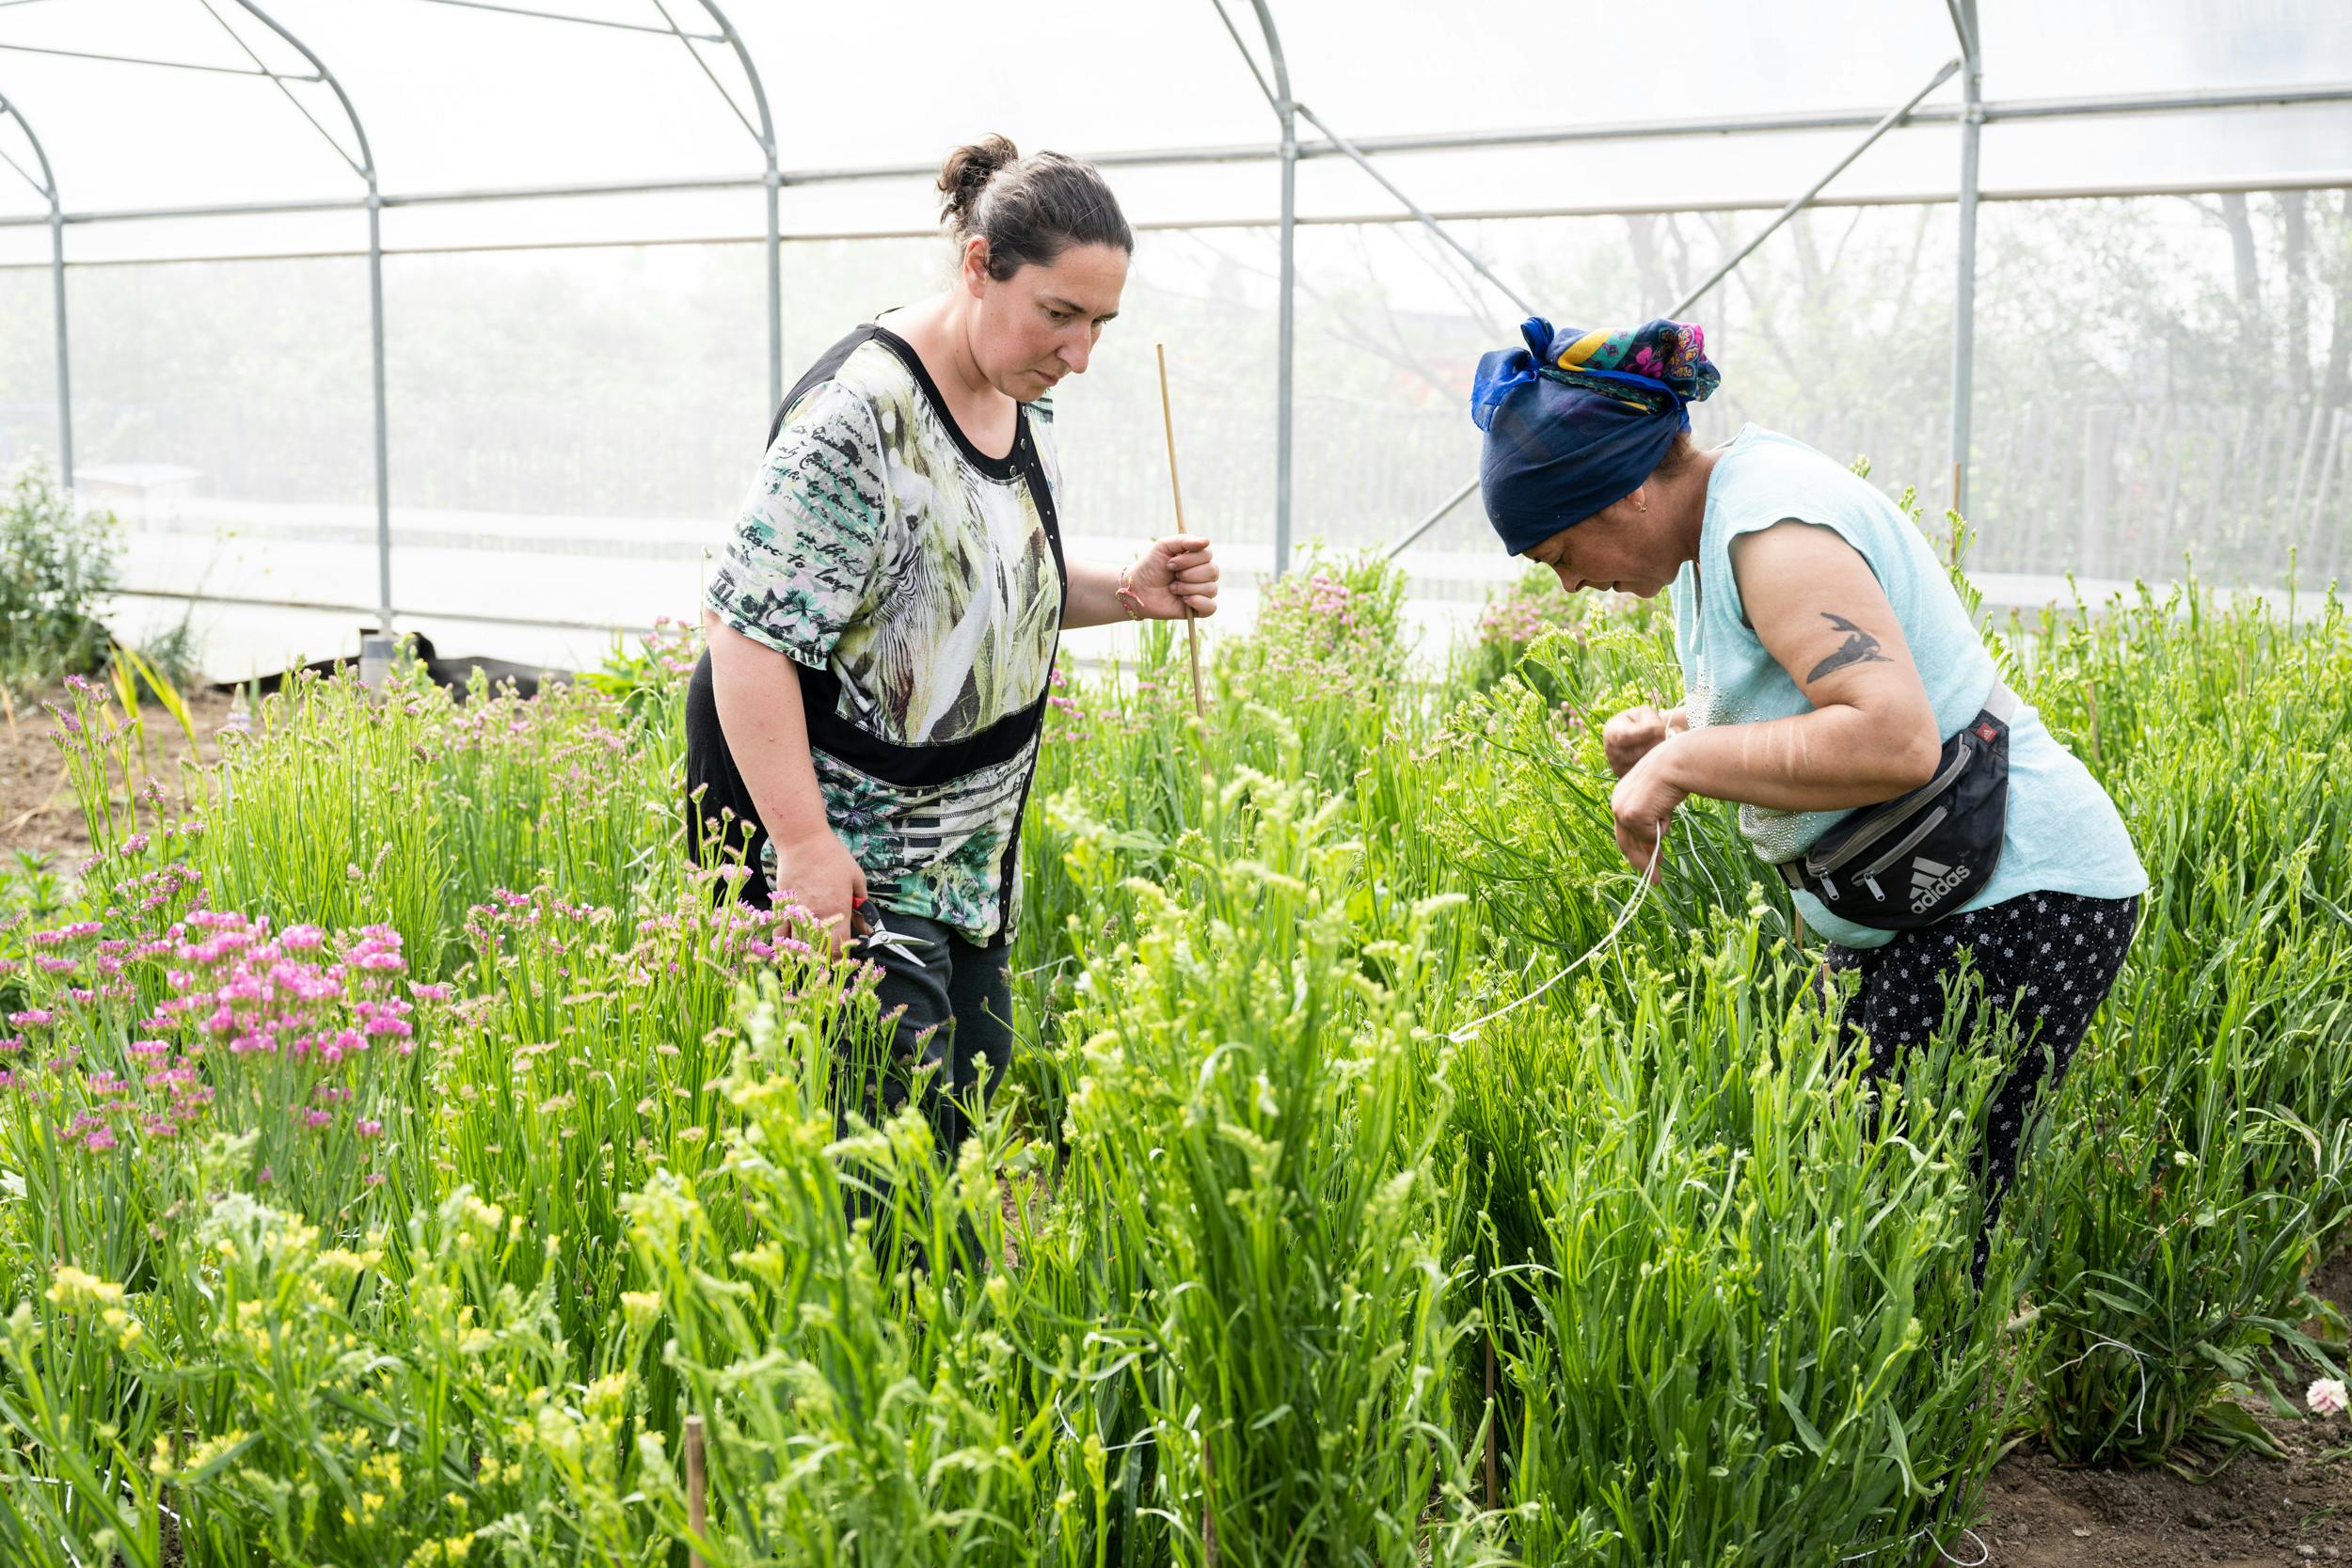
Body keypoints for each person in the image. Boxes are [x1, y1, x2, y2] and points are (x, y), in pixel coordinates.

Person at [1470, 314, 2148, 1282]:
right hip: (1937, 897)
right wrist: (1672, 735)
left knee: (1886, 1244)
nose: (1574, 584)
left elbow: (1891, 737)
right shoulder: (1719, 532)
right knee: (1869, 1220)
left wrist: (1686, 765)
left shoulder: (1771, 527)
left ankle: (1937, 1421)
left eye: (1560, 554)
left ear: (1617, 494)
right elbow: (1807, 702)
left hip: (2013, 895)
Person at [688, 135, 1218, 1154]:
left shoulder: (1022, 396)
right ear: (979, 265)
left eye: (1100, 323)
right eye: (1058, 314)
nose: (1079, 353)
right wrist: (800, 847)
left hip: (970, 861)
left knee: (964, 1134)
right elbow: (744, 637)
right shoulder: (858, 421)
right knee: (883, 1176)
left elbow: (974, 594)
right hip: (859, 858)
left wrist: (1130, 591)